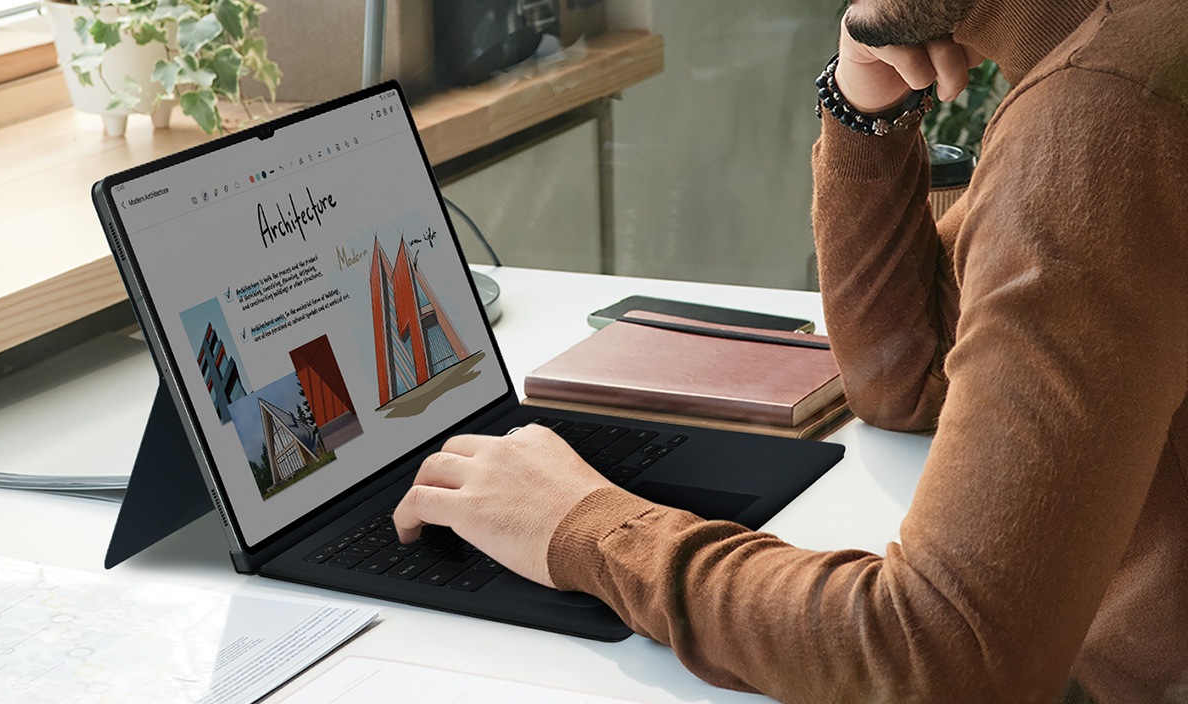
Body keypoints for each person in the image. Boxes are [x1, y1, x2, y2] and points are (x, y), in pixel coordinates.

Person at [392, 0, 1188, 701]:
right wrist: (861, 105)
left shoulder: (1103, 112)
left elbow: (943, 659)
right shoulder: (1119, 59)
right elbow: (908, 379)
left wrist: (587, 529)